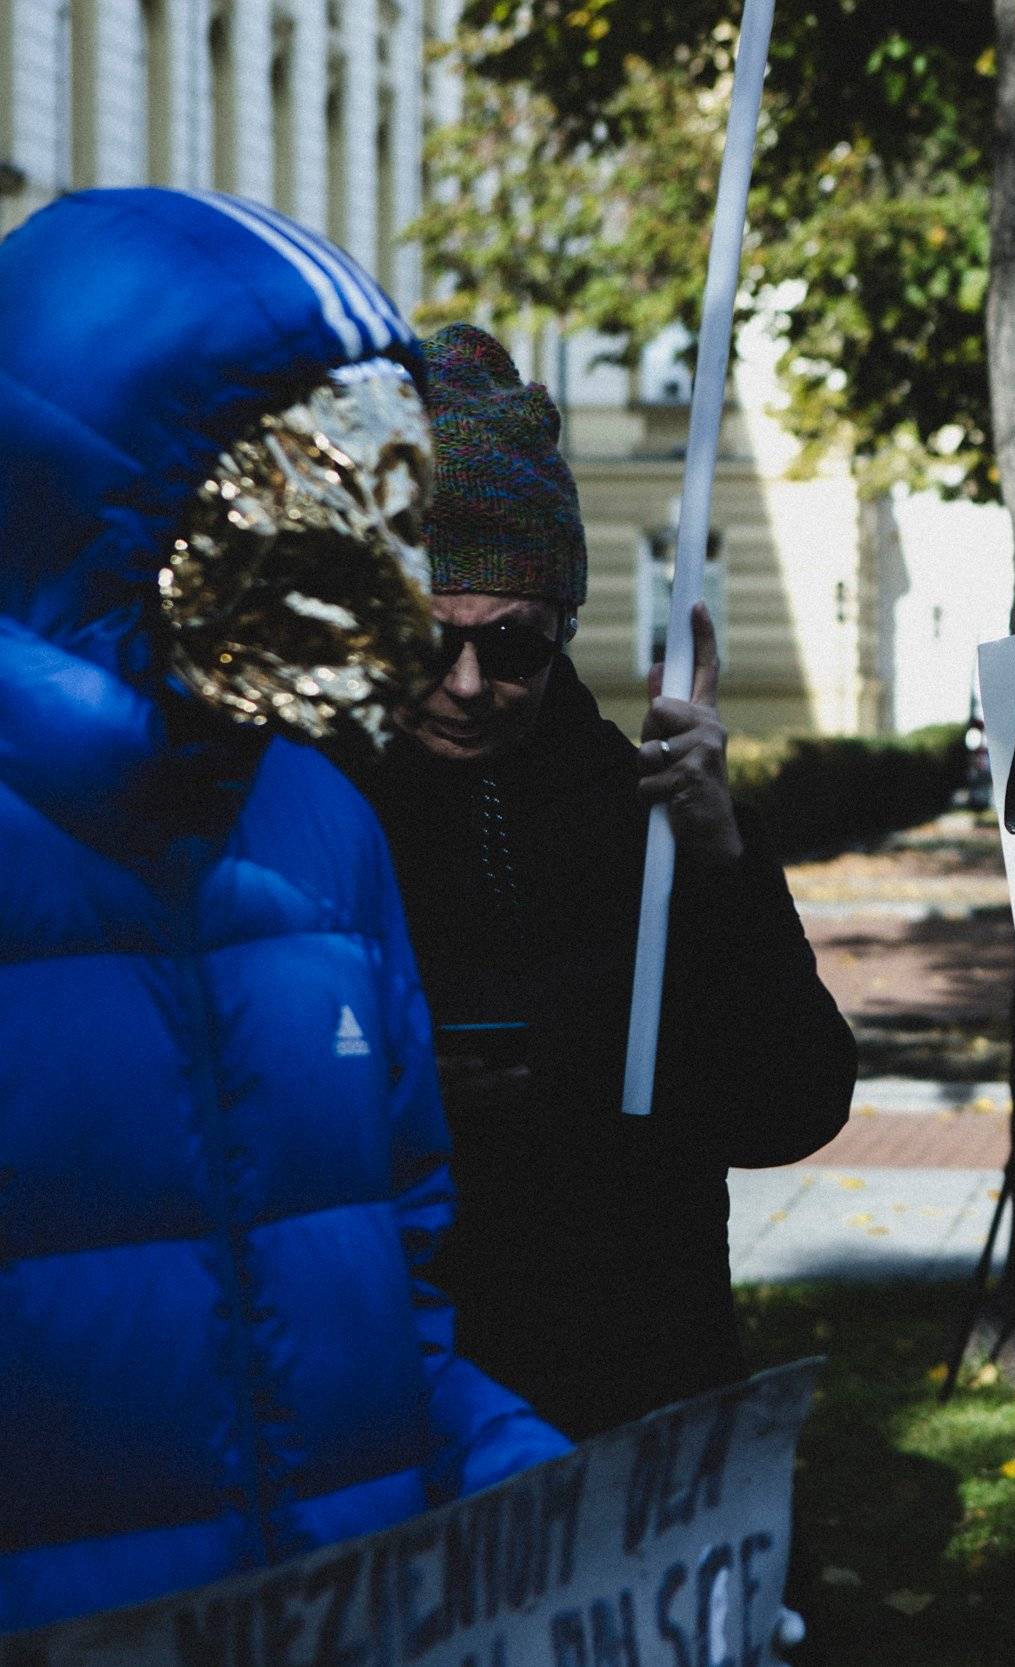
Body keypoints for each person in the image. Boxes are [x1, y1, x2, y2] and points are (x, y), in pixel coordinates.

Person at [0, 189, 567, 1629]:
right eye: (306, 479)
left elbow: (395, 1310)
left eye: (387, 485)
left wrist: (557, 1511)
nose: (366, 552)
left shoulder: (323, 829)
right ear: (98, 497)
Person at [357, 323, 858, 1440]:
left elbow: (796, 1101)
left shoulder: (657, 816)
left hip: (636, 1389)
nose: (472, 683)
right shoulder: (315, 817)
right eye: (428, 642)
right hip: (401, 1390)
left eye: (515, 645)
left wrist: (723, 856)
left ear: (568, 628)